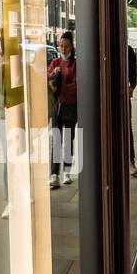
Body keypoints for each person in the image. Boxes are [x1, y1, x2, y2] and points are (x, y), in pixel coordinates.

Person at [49, 32, 78, 189]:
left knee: (68, 139)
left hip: (70, 106)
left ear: (71, 47)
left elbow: (77, 85)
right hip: (56, 106)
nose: (63, 48)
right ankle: (54, 174)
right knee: (57, 141)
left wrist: (63, 87)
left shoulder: (75, 64)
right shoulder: (55, 62)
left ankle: (66, 171)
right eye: (61, 45)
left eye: (66, 45)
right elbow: (47, 78)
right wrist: (54, 74)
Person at [128, 43, 137, 177]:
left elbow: (135, 72)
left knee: (126, 128)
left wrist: (131, 87)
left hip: (122, 96)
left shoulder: (128, 50)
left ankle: (130, 161)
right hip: (63, 106)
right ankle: (65, 172)